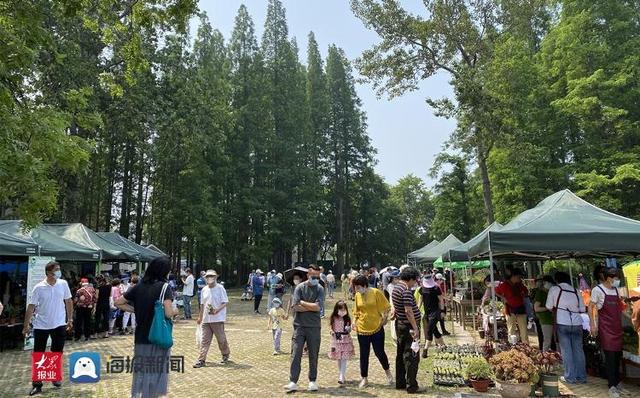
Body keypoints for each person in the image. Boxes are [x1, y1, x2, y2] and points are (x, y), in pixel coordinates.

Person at [115, 256, 178, 398]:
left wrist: (135, 310)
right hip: (157, 337)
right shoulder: (164, 287)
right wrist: (176, 311)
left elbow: (118, 302)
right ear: (163, 272)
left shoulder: (138, 286)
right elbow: (168, 313)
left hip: (140, 337)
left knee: (141, 373)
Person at [22, 261, 73, 396]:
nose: (59, 271)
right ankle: (37, 385)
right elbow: (31, 307)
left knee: (56, 353)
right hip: (41, 326)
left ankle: (54, 377)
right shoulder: (39, 288)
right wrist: (26, 326)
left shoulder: (63, 284)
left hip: (59, 324)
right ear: (49, 273)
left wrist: (70, 319)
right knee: (39, 355)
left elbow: (68, 301)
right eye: (56, 270)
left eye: (59, 269)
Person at [588, 267, 631, 398]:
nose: (617, 280)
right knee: (610, 357)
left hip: (617, 328)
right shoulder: (597, 290)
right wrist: (593, 324)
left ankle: (618, 384)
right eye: (616, 278)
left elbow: (622, 309)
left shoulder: (617, 290)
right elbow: (591, 306)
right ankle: (611, 386)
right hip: (606, 329)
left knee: (618, 356)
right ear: (609, 278)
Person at [285, 264, 324, 393]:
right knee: (296, 353)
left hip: (314, 326)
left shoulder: (320, 288)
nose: (315, 278)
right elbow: (295, 307)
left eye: (317, 276)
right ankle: (293, 381)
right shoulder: (299, 288)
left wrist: (303, 303)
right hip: (299, 326)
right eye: (313, 276)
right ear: (308, 275)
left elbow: (318, 307)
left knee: (313, 354)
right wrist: (310, 306)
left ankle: (312, 380)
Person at [352, 275, 393, 388]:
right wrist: (354, 321)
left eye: (358, 287)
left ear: (365, 285)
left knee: (379, 352)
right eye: (355, 287)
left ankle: (388, 372)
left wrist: (384, 319)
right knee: (364, 354)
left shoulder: (376, 292)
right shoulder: (357, 295)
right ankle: (364, 378)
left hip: (377, 328)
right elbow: (356, 311)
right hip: (362, 329)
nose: (357, 289)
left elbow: (386, 307)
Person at [545, 271, 586, 384]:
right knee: (578, 350)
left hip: (562, 321)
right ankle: (581, 377)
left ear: (557, 280)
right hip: (577, 322)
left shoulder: (554, 289)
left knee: (566, 350)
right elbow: (582, 309)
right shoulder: (576, 290)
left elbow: (548, 306)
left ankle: (570, 377)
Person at [392, 266, 422, 394]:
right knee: (411, 356)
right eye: (414, 280)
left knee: (401, 354)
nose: (415, 283)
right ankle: (411, 385)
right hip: (408, 327)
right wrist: (415, 328)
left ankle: (400, 382)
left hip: (400, 324)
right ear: (410, 279)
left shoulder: (396, 287)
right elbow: (408, 311)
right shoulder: (406, 290)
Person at [193, 270, 230, 368]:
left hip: (217, 319)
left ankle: (225, 354)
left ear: (216, 277)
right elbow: (202, 304)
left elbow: (225, 302)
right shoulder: (204, 289)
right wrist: (200, 317)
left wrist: (217, 310)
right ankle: (201, 359)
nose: (210, 278)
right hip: (206, 319)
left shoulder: (220, 288)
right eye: (208, 276)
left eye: (212, 276)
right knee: (205, 340)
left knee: (221, 339)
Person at [496, 268, 529, 344]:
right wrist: (503, 298)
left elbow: (526, 292)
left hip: (521, 309)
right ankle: (511, 347)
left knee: (524, 330)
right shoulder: (504, 285)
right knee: (511, 330)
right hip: (510, 310)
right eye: (519, 277)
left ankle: (526, 346)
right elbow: (496, 291)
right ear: (513, 276)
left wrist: (523, 294)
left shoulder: (520, 284)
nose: (520, 278)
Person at [417, 273, 445, 358]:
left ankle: (425, 350)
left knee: (429, 330)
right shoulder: (422, 288)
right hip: (427, 313)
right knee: (434, 330)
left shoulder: (436, 288)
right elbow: (420, 300)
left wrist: (442, 311)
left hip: (435, 312)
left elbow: (441, 300)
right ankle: (444, 346)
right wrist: (417, 309)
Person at [328, 300, 355, 385]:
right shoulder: (333, 318)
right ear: (336, 309)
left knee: (344, 358)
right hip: (336, 340)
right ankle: (341, 374)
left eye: (344, 309)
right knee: (339, 358)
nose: (342, 311)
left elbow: (350, 329)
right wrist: (332, 332)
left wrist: (349, 328)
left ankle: (341, 376)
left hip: (346, 340)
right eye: (340, 309)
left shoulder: (347, 318)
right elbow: (331, 328)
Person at [534, 275, 555, 351]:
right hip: (545, 320)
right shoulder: (540, 293)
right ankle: (544, 357)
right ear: (545, 283)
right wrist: (548, 308)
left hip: (555, 319)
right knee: (547, 340)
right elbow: (536, 308)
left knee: (556, 341)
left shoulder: (552, 292)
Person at [386, 269, 400, 344]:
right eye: (396, 278)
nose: (398, 279)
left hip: (398, 304)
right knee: (394, 321)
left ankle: (398, 336)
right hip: (393, 305)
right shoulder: (390, 286)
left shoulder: (398, 285)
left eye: (398, 278)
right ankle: (395, 337)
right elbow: (394, 296)